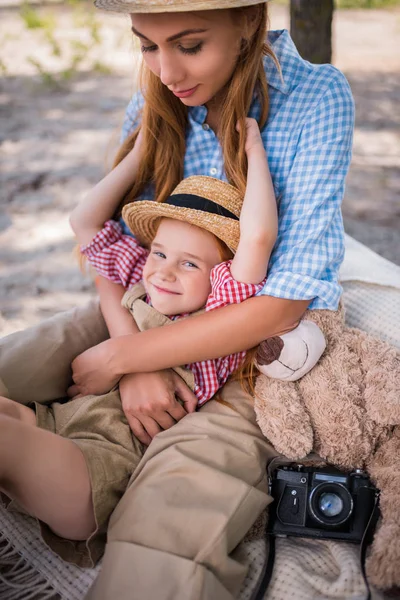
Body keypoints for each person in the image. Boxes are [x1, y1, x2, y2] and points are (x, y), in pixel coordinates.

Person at [0, 0, 355, 598]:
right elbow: (106, 248)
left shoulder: (317, 97)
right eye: (146, 44)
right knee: (17, 362)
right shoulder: (157, 96)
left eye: (189, 45)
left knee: (166, 521)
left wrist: (123, 360)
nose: (166, 71)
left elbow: (280, 304)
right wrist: (130, 347)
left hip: (239, 353)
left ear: (248, 22)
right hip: (140, 308)